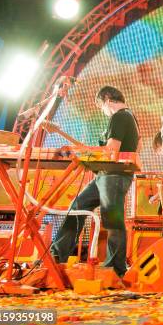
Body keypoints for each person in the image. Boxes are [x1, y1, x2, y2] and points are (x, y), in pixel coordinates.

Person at [51, 86, 140, 278]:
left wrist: (85, 152)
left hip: (114, 175)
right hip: (106, 175)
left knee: (112, 219)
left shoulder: (121, 116)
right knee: (77, 207)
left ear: (107, 99)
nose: (103, 111)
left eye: (101, 107)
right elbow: (97, 150)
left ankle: (116, 269)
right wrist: (61, 133)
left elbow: (110, 151)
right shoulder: (127, 118)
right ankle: (57, 256)